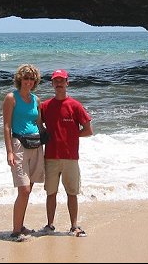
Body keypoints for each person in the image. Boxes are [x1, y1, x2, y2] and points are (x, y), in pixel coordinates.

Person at [40, 69, 93, 237]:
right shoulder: (45, 106)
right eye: (56, 81)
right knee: (51, 193)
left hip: (70, 157)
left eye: (62, 80)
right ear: (52, 84)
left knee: (72, 193)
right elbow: (38, 126)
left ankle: (74, 226)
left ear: (67, 83)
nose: (59, 83)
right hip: (50, 156)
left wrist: (71, 136)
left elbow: (88, 130)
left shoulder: (75, 105)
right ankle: (49, 225)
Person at [2, 64, 45, 241]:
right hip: (19, 144)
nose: (28, 81)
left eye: (31, 78)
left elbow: (40, 124)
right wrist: (9, 152)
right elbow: (6, 126)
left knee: (30, 188)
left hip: (36, 145)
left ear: (35, 81)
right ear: (20, 79)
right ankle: (15, 231)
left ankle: (20, 226)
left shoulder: (36, 100)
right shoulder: (11, 98)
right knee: (24, 189)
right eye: (25, 78)